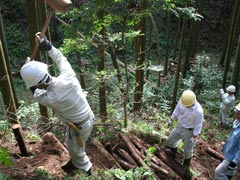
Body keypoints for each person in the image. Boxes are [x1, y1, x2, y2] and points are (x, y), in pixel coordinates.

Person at [20, 32, 94, 175]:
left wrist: (28, 69)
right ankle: (76, 161)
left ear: (38, 84)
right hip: (86, 118)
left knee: (75, 148)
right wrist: (48, 46)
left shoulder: (51, 98)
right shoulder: (68, 76)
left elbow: (35, 91)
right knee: (74, 145)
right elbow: (60, 58)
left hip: (78, 126)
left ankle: (86, 169)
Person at [166, 90, 204, 171]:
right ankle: (172, 154)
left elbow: (198, 125)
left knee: (188, 148)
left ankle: (186, 163)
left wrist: (194, 136)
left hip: (189, 130)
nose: (185, 106)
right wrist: (172, 119)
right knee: (170, 140)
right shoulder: (182, 101)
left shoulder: (198, 111)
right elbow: (177, 110)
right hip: (180, 125)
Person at [215, 103, 240, 180]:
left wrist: (235, 161)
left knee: (218, 172)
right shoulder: (237, 122)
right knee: (229, 172)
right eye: (237, 112)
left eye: (238, 113)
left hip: (233, 157)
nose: (236, 114)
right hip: (230, 152)